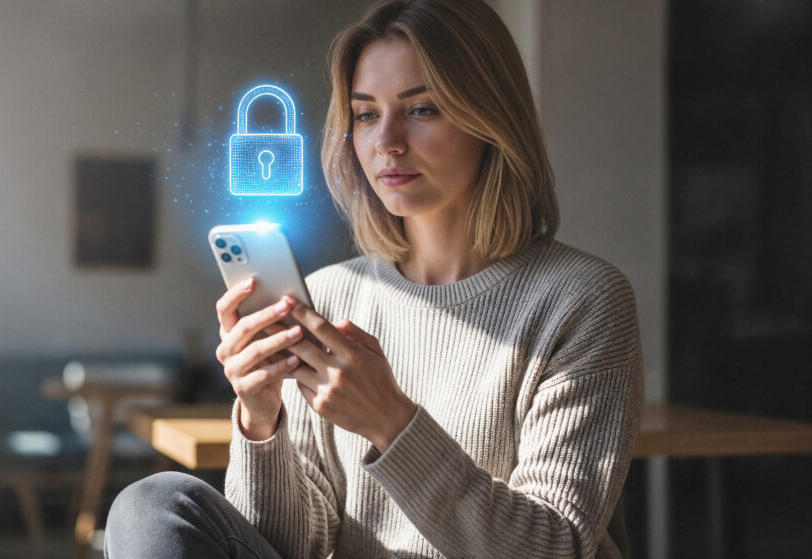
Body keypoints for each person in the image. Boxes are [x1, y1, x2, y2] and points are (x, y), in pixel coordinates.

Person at [104, 0, 643, 557]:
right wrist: (262, 421)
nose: (386, 140)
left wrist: (392, 422)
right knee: (151, 507)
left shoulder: (582, 300)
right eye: (365, 114)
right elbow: (294, 546)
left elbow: (555, 546)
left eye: (423, 109)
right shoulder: (332, 294)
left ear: (491, 119)